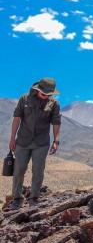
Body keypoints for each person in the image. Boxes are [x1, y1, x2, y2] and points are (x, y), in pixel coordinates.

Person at [7, 78, 62, 210]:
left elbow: (56, 123)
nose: (47, 97)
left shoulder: (54, 104)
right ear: (38, 90)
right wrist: (12, 138)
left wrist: (56, 140)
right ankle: (17, 199)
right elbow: (17, 118)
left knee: (38, 170)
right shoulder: (24, 99)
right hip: (23, 141)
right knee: (19, 170)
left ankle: (34, 198)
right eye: (44, 94)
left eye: (49, 94)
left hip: (41, 143)